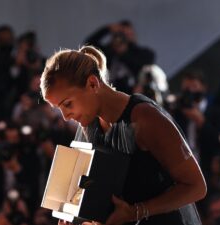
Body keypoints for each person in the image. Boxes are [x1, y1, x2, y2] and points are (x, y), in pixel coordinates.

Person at [40, 45, 207, 225]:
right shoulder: (88, 123)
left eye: (68, 104)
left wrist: (136, 212)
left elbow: (196, 187)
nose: (65, 117)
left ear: (92, 83)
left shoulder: (145, 118)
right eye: (59, 109)